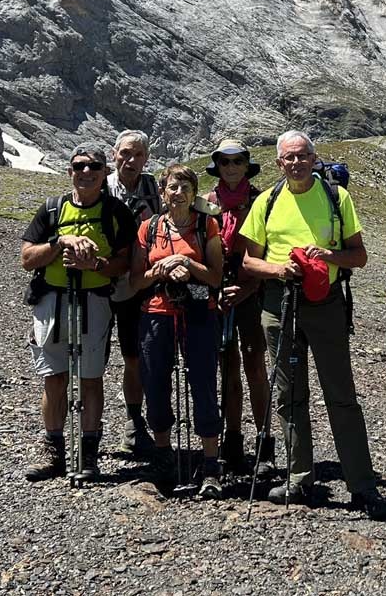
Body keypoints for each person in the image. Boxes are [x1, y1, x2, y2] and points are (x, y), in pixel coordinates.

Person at [238, 130, 386, 516]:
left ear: (314, 158)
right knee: (289, 394)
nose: (296, 163)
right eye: (289, 158)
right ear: (278, 163)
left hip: (326, 303)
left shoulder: (338, 198)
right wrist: (278, 268)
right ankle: (299, 477)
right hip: (279, 303)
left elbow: (359, 256)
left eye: (303, 156)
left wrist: (330, 255)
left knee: (340, 392)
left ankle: (361, 484)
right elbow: (249, 262)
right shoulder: (267, 202)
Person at [20, 144, 136, 482]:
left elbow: (124, 263)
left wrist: (94, 263)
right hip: (51, 301)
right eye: (79, 166)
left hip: (94, 301)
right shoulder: (52, 210)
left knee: (89, 378)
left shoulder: (116, 212)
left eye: (94, 166)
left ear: (105, 172)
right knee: (54, 378)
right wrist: (60, 243)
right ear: (70, 170)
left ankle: (88, 456)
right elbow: (27, 258)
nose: (86, 172)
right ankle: (54, 451)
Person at [130, 163, 226, 497]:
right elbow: (135, 281)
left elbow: (215, 277)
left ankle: (211, 464)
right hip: (157, 311)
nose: (179, 193)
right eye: (173, 187)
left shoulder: (207, 225)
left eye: (186, 187)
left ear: (194, 192)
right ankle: (163, 454)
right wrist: (161, 270)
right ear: (162, 192)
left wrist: (187, 264)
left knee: (202, 382)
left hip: (200, 310)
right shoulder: (148, 228)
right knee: (155, 382)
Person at [203, 139, 275, 477]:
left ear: (247, 165)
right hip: (218, 292)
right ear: (217, 166)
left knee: (254, 365)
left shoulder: (261, 201)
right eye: (224, 162)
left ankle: (264, 445)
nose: (231, 168)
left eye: (237, 162)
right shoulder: (206, 203)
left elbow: (270, 249)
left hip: (253, 291)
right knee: (228, 367)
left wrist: (248, 288)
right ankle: (232, 442)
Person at [106, 130, 163, 456]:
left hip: (137, 284)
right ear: (114, 154)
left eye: (138, 155)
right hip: (102, 282)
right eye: (125, 153)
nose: (131, 160)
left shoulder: (152, 187)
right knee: (92, 359)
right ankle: (90, 428)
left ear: (146, 158)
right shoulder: (100, 183)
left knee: (134, 356)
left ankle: (133, 423)